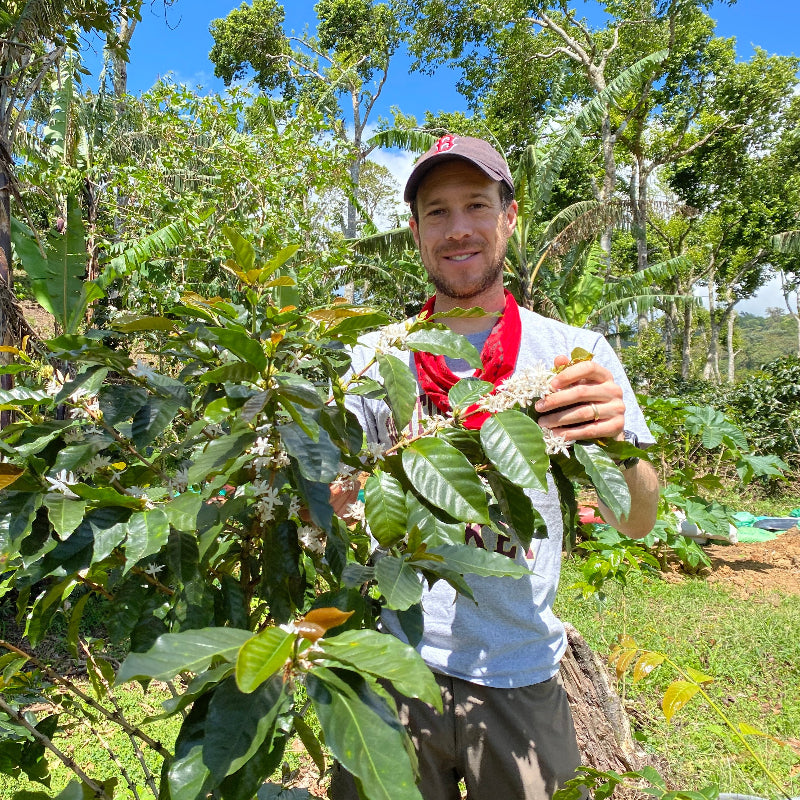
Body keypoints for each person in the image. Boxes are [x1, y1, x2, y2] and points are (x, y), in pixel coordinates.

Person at [331, 134, 660, 800]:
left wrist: (617, 432)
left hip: (519, 680)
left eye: (476, 205)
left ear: (510, 217)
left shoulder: (573, 356)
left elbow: (639, 520)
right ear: (417, 231)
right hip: (399, 670)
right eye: (436, 212)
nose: (458, 230)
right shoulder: (375, 358)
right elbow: (329, 495)